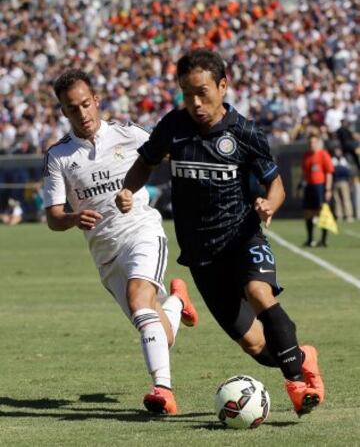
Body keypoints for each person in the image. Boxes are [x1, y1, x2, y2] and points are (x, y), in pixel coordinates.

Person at [116, 48, 325, 417]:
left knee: (259, 292)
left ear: (223, 85)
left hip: (243, 237)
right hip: (201, 254)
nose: (195, 102)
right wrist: (129, 189)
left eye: (203, 92)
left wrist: (269, 205)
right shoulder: (173, 127)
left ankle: (298, 385)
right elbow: (144, 163)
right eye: (187, 93)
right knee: (255, 345)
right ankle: (302, 356)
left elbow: (275, 184)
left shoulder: (244, 132)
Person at [43, 69, 198, 415]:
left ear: (96, 101)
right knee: (161, 332)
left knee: (138, 296)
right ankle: (176, 301)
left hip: (141, 231)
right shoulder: (59, 157)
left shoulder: (129, 134)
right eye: (72, 108)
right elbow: (52, 216)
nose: (82, 113)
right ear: (64, 112)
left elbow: (174, 155)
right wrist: (71, 218)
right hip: (106, 253)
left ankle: (163, 390)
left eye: (86, 104)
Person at [299, 135, 334, 247]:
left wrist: (328, 189)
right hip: (309, 186)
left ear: (318, 143)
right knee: (308, 213)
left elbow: (329, 173)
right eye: (310, 142)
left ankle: (323, 240)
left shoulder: (323, 154)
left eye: (314, 142)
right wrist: (301, 184)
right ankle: (310, 239)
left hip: (320, 186)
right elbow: (304, 172)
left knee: (322, 212)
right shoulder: (306, 155)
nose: (311, 144)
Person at [331, 145, 354, 222]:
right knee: (337, 200)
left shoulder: (344, 160)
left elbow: (347, 171)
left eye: (339, 151)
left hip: (344, 182)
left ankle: (349, 215)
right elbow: (333, 171)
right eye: (336, 151)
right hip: (335, 182)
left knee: (346, 199)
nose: (337, 152)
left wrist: (339, 169)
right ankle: (339, 216)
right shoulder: (333, 160)